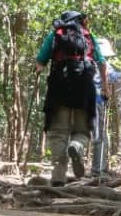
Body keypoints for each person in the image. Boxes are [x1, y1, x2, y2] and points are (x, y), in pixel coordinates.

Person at [34, 10, 107, 186]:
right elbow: (102, 62)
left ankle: (58, 175)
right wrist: (105, 86)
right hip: (85, 87)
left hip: (59, 87)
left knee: (58, 133)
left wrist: (38, 70)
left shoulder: (56, 35)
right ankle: (77, 145)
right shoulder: (88, 36)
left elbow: (40, 62)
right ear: (81, 21)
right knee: (82, 130)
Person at [92, 36, 121, 176]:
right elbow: (115, 77)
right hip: (95, 101)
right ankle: (98, 170)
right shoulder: (103, 63)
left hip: (77, 102)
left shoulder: (84, 61)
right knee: (100, 136)